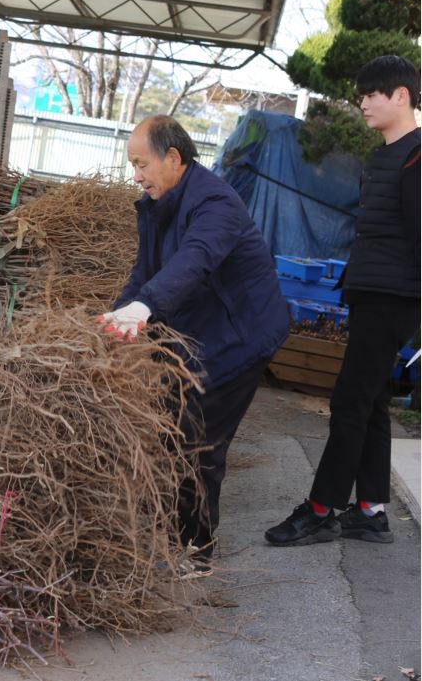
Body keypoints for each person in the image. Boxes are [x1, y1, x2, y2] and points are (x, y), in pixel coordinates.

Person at [100, 115, 289, 574]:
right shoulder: (157, 205)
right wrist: (117, 314)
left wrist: (146, 308)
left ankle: (197, 551)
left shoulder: (215, 203)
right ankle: (170, 535)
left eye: (141, 163)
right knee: (168, 428)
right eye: (132, 165)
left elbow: (195, 261)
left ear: (173, 158)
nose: (136, 174)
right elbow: (146, 273)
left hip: (241, 336)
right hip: (203, 332)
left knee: (197, 440)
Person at [265, 56, 420, 547]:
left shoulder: (418, 158)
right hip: (370, 290)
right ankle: (370, 511)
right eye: (361, 94)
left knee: (349, 400)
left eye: (373, 93)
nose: (363, 102)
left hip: (395, 296)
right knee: (371, 399)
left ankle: (321, 507)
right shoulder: (383, 157)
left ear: (401, 96)